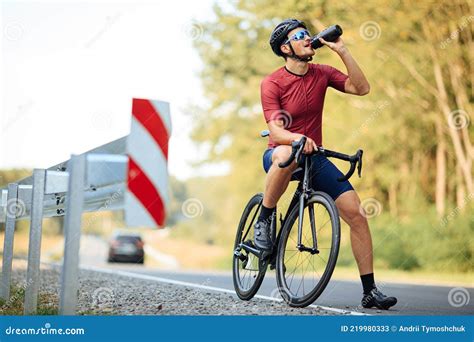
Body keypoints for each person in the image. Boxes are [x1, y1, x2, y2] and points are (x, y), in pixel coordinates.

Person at [255, 18, 397, 310]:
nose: (309, 39)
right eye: (300, 36)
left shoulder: (321, 73)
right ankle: (265, 217)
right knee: (284, 154)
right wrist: (296, 137)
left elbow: (362, 88)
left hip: (314, 157)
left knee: (356, 213)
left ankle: (370, 291)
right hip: (282, 151)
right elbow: (276, 130)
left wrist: (342, 50)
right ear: (286, 48)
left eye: (308, 34)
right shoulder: (272, 82)